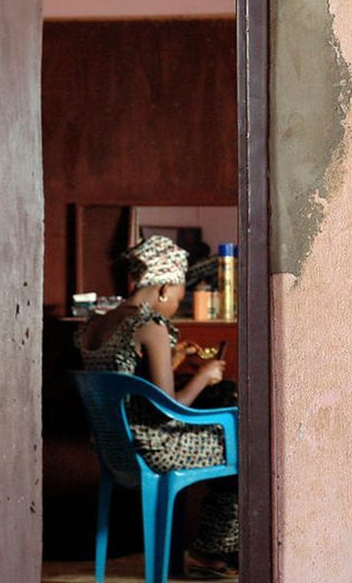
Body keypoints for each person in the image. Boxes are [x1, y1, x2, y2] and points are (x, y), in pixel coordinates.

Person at [78, 235, 239, 580]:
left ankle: (197, 554)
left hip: (115, 447)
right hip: (155, 447)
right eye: (178, 298)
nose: (174, 307)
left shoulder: (97, 323)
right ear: (164, 289)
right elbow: (169, 409)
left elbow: (124, 377)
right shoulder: (149, 326)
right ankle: (208, 551)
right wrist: (205, 376)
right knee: (244, 453)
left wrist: (174, 360)